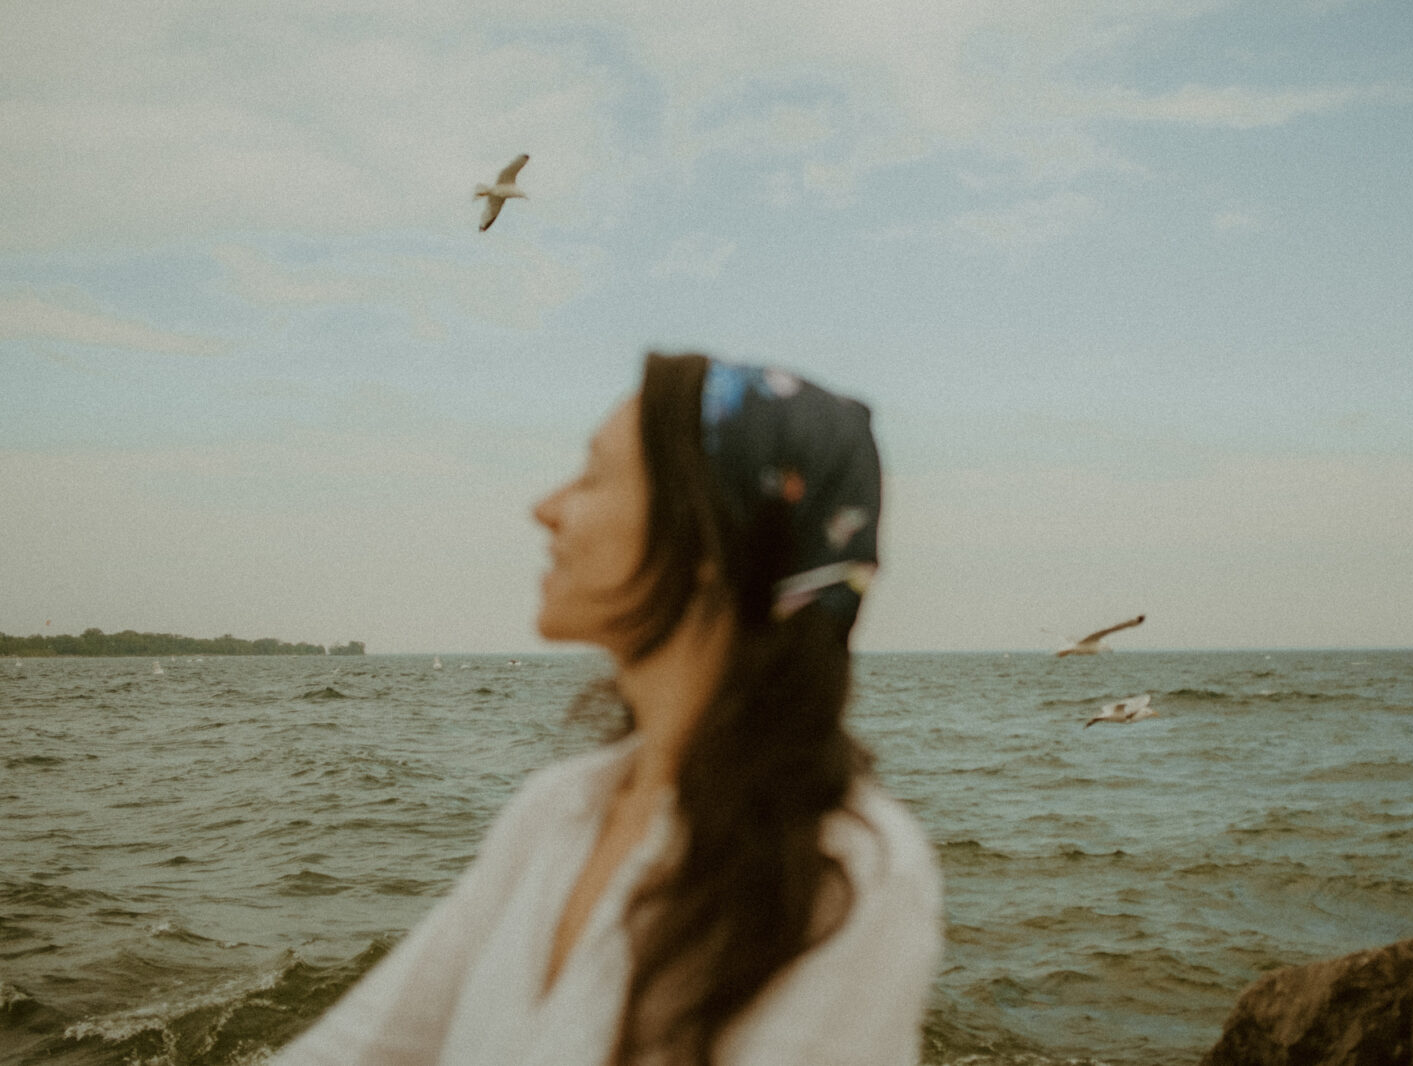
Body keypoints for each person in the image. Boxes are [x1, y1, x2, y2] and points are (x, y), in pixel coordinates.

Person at [270, 352, 943, 1066]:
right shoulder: (556, 811)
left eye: (592, 475)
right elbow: (369, 1046)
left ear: (709, 540)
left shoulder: (851, 872)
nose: (546, 507)